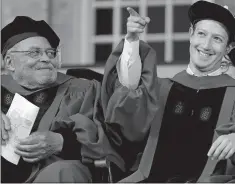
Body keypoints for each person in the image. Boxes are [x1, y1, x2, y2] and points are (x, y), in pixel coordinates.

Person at [102, 1, 235, 182]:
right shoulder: (161, 90)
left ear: (229, 48)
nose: (206, 45)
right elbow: (126, 111)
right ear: (191, 35)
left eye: (217, 39)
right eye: (201, 34)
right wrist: (132, 41)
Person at [0, 15, 156, 183]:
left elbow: (119, 135)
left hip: (52, 177)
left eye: (50, 53)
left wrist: (64, 142)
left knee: (64, 171)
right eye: (34, 53)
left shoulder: (82, 91)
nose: (46, 58)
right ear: (9, 62)